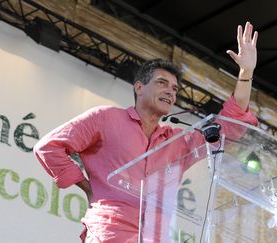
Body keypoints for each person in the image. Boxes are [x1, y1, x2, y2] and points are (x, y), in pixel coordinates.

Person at [33, 22, 259, 242]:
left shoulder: (177, 142)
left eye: (174, 89)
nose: (170, 92)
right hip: (111, 233)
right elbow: (48, 148)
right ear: (139, 87)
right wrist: (88, 189)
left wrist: (246, 72)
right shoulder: (105, 118)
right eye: (162, 83)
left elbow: (230, 124)